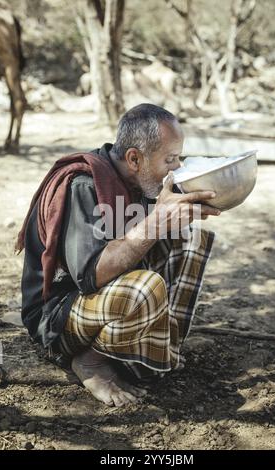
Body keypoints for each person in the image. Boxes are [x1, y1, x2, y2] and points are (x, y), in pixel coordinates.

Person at [17, 103, 220, 407]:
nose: (177, 168)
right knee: (144, 288)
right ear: (134, 158)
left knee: (190, 238)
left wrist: (181, 212)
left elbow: (145, 235)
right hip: (58, 314)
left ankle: (154, 353)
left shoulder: (138, 179)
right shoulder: (83, 184)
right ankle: (91, 361)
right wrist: (157, 221)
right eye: (170, 159)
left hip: (102, 299)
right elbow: (91, 275)